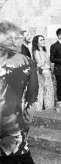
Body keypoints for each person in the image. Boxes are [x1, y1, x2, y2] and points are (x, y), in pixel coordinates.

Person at [0, 21, 38, 164]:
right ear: (14, 39)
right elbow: (32, 99)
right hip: (13, 128)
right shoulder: (27, 62)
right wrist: (24, 126)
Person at [32, 35, 54, 110]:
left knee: (49, 92)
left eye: (43, 39)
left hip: (48, 73)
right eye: (41, 40)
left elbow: (49, 63)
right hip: (41, 73)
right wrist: (45, 69)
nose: (43, 41)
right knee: (40, 92)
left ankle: (49, 109)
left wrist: (50, 71)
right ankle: (38, 110)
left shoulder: (45, 51)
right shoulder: (36, 51)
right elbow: (39, 64)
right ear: (37, 43)